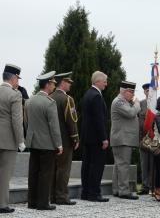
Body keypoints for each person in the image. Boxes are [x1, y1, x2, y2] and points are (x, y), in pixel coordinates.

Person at [25, 71, 63, 210]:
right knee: (45, 173)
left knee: (33, 172)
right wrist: (59, 144)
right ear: (47, 84)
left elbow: (26, 122)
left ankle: (32, 202)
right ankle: (42, 203)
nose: (53, 86)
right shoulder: (49, 103)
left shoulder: (29, 100)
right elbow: (54, 126)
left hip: (33, 141)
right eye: (52, 83)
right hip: (47, 143)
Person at [50, 72, 79, 205]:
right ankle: (61, 197)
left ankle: (52, 196)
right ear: (63, 82)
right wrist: (75, 138)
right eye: (69, 82)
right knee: (63, 169)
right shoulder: (67, 99)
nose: (70, 84)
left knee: (53, 168)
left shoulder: (50, 97)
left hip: (51, 140)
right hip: (65, 140)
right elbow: (71, 121)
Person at [81, 71, 109, 202]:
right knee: (96, 166)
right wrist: (104, 138)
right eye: (104, 81)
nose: (106, 84)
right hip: (96, 138)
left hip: (87, 137)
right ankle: (94, 193)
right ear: (98, 81)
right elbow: (99, 119)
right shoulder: (97, 96)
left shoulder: (87, 94)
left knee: (87, 165)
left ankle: (85, 192)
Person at [0, 64, 25, 213]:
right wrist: (20, 140)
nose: (18, 82)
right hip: (8, 140)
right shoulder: (15, 94)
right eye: (18, 79)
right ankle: (2, 204)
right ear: (13, 78)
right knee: (4, 174)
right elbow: (17, 120)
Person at [110, 81, 140, 200]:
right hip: (122, 139)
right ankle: (124, 191)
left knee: (119, 165)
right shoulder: (119, 101)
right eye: (131, 92)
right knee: (123, 165)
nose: (133, 95)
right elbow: (131, 112)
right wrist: (137, 104)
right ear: (124, 91)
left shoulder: (124, 102)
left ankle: (117, 189)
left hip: (122, 139)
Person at [137, 83, 154, 195]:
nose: (149, 92)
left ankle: (154, 186)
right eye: (147, 90)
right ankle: (144, 187)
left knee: (153, 164)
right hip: (143, 138)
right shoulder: (140, 104)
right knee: (144, 164)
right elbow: (137, 121)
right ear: (144, 92)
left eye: (151, 90)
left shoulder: (157, 103)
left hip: (154, 139)